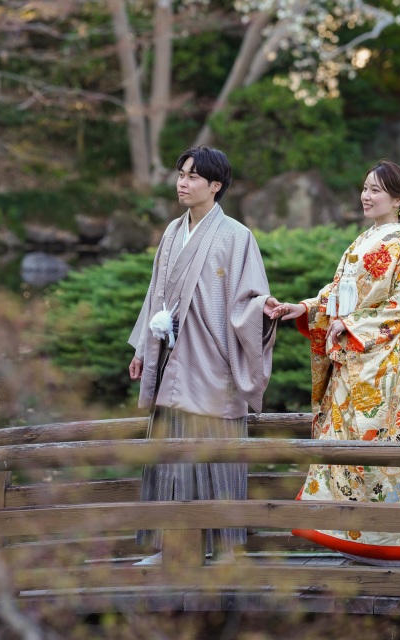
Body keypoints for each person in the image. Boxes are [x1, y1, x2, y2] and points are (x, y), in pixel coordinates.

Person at [267, 158, 400, 563]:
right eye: (364, 188)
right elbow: (338, 293)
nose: (366, 195)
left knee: (378, 449)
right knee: (344, 446)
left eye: (376, 190)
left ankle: (392, 540)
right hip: (351, 363)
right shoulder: (365, 240)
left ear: (398, 200)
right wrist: (303, 308)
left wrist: (354, 325)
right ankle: (350, 533)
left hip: (383, 366)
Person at [129, 145, 279, 562]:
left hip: (212, 361)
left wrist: (263, 312)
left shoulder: (237, 236)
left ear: (215, 186)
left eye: (193, 176)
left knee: (215, 452)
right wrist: (144, 348)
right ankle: (169, 546)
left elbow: (250, 295)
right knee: (170, 451)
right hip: (171, 357)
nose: (183, 182)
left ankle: (226, 549)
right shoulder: (173, 232)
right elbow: (154, 293)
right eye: (181, 173)